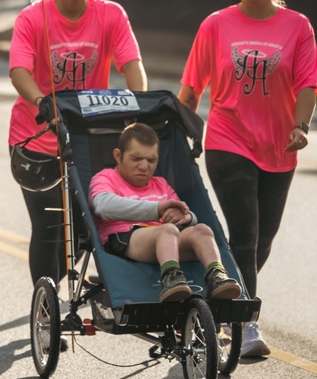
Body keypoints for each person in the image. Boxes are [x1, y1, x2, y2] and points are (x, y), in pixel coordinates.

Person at [179, 0, 316, 358]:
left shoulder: (297, 26)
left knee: (262, 242)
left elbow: (308, 82)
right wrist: (180, 129)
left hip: (279, 145)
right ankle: (245, 323)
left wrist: (300, 125)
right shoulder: (216, 25)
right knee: (245, 232)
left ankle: (219, 293)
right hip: (227, 138)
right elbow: (191, 87)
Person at [8, 0, 147, 287]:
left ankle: (54, 290)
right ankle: (46, 307)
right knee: (48, 226)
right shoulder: (31, 18)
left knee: (87, 224)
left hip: (90, 137)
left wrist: (137, 106)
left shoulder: (110, 14)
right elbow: (19, 71)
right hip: (36, 139)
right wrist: (43, 102)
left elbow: (133, 66)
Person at [88, 123, 242, 303]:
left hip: (167, 240)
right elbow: (102, 206)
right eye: (136, 158)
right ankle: (171, 278)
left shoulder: (160, 183)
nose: (144, 166)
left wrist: (187, 217)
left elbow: (181, 214)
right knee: (167, 231)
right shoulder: (106, 178)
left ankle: (217, 276)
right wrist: (156, 210)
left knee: (202, 229)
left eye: (151, 160)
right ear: (118, 155)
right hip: (124, 239)